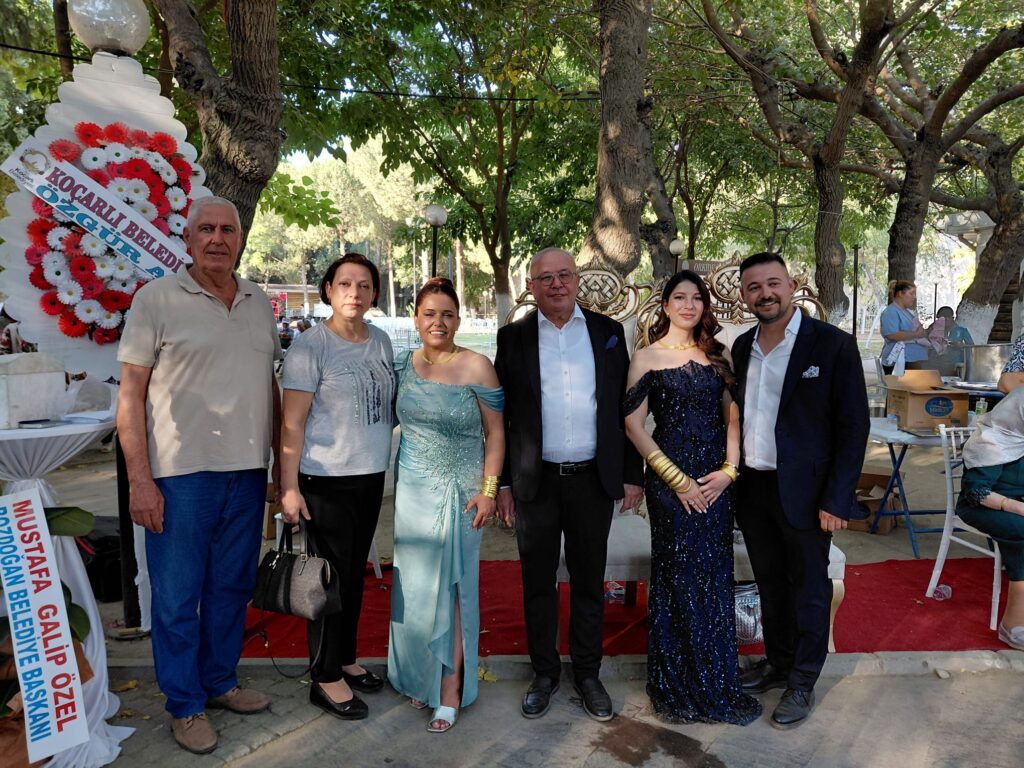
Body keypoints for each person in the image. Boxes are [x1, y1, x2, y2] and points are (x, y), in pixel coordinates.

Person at [116, 196, 282, 754]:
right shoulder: (155, 299)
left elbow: (268, 387)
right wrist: (140, 481)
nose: (217, 238)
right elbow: (130, 397)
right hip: (179, 477)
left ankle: (219, 682)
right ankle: (184, 705)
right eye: (205, 229)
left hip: (247, 474)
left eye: (227, 229)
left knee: (231, 587)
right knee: (177, 596)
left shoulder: (259, 302)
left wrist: (277, 469)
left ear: (240, 239)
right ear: (187, 240)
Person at [494, 247, 643, 722]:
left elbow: (626, 408)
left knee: (589, 583)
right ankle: (544, 674)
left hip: (592, 481)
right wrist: (501, 484)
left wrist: (631, 475)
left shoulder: (607, 332)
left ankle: (587, 674)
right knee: (537, 582)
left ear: (577, 280)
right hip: (535, 483)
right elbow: (502, 417)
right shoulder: (512, 338)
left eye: (564, 275)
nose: (556, 284)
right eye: (545, 278)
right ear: (531, 287)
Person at [731, 252, 868, 729]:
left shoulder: (832, 345)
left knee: (809, 589)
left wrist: (837, 498)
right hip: (754, 489)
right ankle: (778, 662)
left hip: (809, 494)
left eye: (773, 283)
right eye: (754, 287)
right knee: (769, 584)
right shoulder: (743, 346)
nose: (765, 293)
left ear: (791, 285)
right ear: (744, 295)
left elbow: (853, 427)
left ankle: (803, 681)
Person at [623, 270, 761, 725]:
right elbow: (633, 425)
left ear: (705, 305)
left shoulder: (718, 354)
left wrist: (729, 471)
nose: (688, 305)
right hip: (669, 482)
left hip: (717, 480)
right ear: (665, 305)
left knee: (713, 575)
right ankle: (677, 682)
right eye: (679, 297)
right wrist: (676, 480)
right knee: (678, 575)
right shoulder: (646, 357)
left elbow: (733, 418)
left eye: (696, 298)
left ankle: (715, 679)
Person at [279, 254, 395, 721]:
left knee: (353, 577)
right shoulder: (311, 346)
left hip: (369, 476)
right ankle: (324, 676)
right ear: (328, 289)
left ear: (374, 293)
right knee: (327, 582)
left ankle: (345, 659)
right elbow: (291, 424)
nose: (354, 293)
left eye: (364, 285)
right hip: (324, 481)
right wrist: (288, 488)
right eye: (345, 283)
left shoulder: (381, 340)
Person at [388, 277, 504, 733]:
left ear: (459, 319)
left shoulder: (478, 366)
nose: (439, 322)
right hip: (412, 493)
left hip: (461, 495)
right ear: (416, 318)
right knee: (416, 590)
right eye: (430, 313)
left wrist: (489, 491)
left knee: (453, 589)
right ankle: (421, 676)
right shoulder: (404, 363)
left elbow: (496, 432)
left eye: (448, 314)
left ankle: (451, 688)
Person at [957, 387, 1024, 650]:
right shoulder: (991, 440)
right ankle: (1013, 625)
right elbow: (976, 493)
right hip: (983, 506)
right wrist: (1017, 507)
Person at [879, 280, 929, 373]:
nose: (914, 297)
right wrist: (916, 334)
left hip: (914, 359)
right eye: (911, 293)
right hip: (901, 360)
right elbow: (892, 335)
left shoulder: (908, 312)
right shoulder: (891, 312)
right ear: (900, 294)